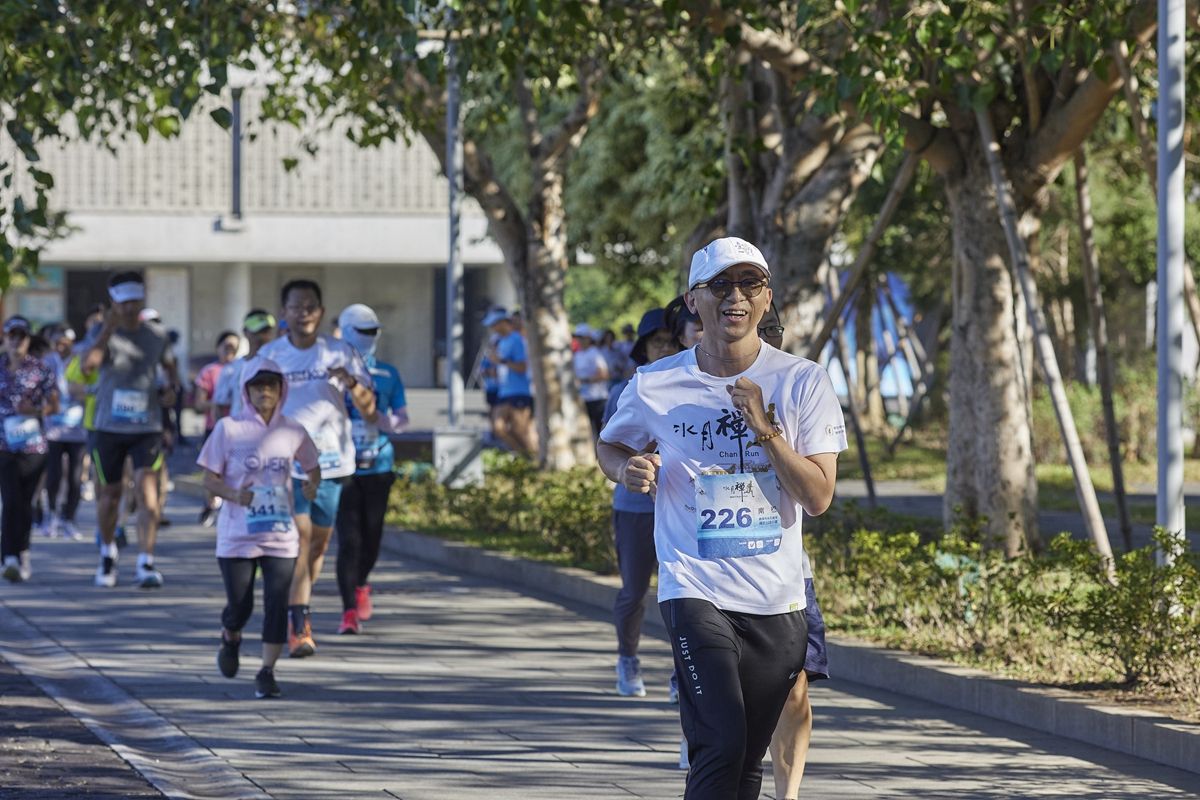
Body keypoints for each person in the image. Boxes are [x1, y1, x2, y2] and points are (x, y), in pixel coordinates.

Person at [597, 237, 846, 799]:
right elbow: (609, 445)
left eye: (749, 285)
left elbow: (818, 496)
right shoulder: (655, 384)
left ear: (766, 299)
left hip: (777, 599)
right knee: (721, 743)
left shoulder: (803, 381)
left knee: (745, 761)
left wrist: (764, 427)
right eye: (720, 286)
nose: (735, 297)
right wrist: (626, 468)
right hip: (693, 586)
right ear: (693, 301)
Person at [259, 279, 375, 658]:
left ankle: (295, 607)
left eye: (310, 306)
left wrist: (351, 382)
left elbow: (369, 407)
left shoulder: (340, 351)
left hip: (332, 460)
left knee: (318, 546)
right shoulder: (272, 354)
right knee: (302, 539)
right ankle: (298, 626)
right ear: (285, 313)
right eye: (296, 306)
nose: (303, 312)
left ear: (321, 312)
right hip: (287, 464)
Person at [197, 357, 321, 699]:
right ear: (246, 391)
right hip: (237, 534)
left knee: (277, 604)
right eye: (257, 386)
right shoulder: (228, 428)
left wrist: (312, 484)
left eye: (271, 386)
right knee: (241, 605)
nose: (264, 392)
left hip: (280, 534)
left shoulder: (292, 429)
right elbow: (209, 479)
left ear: (282, 390)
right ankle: (231, 635)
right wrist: (234, 494)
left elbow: (313, 466)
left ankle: (267, 671)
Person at [81, 273, 180, 589]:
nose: (129, 308)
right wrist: (108, 328)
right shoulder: (101, 331)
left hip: (146, 427)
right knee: (109, 496)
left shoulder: (157, 335)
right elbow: (88, 366)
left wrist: (170, 391)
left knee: (147, 495)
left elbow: (170, 369)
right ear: (114, 303)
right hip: (108, 426)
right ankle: (107, 553)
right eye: (123, 303)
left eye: (134, 302)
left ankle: (145, 561)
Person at [603, 307, 680, 697]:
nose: (665, 349)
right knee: (634, 591)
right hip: (636, 509)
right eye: (657, 343)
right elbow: (610, 447)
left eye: (671, 341)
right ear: (644, 348)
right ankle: (627, 658)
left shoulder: (694, 385)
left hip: (683, 508)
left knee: (683, 596)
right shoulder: (626, 390)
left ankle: (681, 673)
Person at [334, 304, 409, 635]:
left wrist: (383, 420)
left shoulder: (388, 374)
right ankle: (348, 610)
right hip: (342, 466)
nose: (369, 338)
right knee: (349, 540)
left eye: (373, 331)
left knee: (372, 538)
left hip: (378, 464)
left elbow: (402, 419)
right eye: (363, 331)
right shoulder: (332, 373)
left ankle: (362, 582)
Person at [0, 317, 59, 582]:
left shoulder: (41, 369)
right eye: (12, 335)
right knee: (10, 500)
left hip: (33, 446)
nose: (16, 341)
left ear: (28, 339)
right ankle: (8, 556)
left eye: (21, 336)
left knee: (25, 503)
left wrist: (34, 410)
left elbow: (54, 405)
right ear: (4, 337)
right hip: (3, 444)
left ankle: (22, 551)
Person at [42, 326, 87, 540]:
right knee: (53, 476)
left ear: (72, 343)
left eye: (65, 343)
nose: (61, 347)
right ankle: (51, 515)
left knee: (75, 478)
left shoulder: (82, 360)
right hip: (53, 430)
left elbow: (89, 387)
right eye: (57, 343)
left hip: (77, 430)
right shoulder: (48, 362)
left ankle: (69, 518)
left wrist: (79, 391)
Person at [194, 330, 241, 527]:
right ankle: (211, 503)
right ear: (218, 347)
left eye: (234, 347)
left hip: (239, 432)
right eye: (226, 346)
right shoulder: (209, 371)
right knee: (213, 471)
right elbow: (198, 403)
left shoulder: (243, 368)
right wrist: (216, 405)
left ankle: (228, 507)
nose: (230, 350)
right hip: (215, 429)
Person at [484, 309, 537, 456]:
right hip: (504, 391)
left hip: (519, 391)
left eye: (494, 324)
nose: (492, 328)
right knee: (498, 427)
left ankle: (534, 458)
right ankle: (523, 456)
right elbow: (502, 366)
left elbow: (521, 366)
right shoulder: (501, 342)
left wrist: (501, 361)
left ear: (503, 323)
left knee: (521, 430)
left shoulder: (516, 339)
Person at [213, 309, 278, 420]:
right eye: (256, 332)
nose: (261, 337)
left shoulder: (279, 367)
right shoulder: (231, 369)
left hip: (272, 433)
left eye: (265, 331)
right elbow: (219, 405)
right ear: (245, 332)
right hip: (240, 432)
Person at [572, 324, 610, 441]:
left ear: (588, 338)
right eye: (577, 337)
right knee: (587, 433)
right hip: (584, 399)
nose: (580, 340)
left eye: (582, 337)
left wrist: (584, 380)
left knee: (601, 432)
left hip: (598, 398)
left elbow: (604, 374)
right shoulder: (577, 355)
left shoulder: (594, 353)